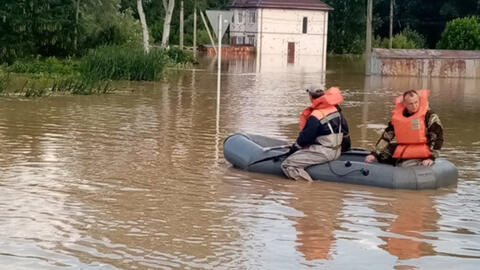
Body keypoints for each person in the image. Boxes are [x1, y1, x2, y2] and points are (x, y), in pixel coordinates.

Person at [281, 86, 351, 181]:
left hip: (323, 153)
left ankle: (308, 189)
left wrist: (292, 151)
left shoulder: (316, 115)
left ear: (311, 97)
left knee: (288, 165)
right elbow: (344, 131)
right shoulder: (335, 110)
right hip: (336, 151)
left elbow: (305, 139)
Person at [364, 89, 443, 167]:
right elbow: (387, 136)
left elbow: (438, 137)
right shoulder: (398, 118)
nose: (414, 106)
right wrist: (374, 154)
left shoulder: (429, 116)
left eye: (416, 102)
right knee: (382, 154)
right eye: (410, 104)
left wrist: (431, 158)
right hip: (405, 147)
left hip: (423, 149)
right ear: (404, 104)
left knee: (404, 165)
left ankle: (415, 165)